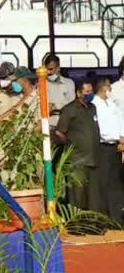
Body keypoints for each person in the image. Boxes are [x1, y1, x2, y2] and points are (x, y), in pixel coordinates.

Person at [55, 78, 100, 212]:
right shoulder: (69, 109)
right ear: (79, 93)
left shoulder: (92, 108)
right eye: (87, 92)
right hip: (77, 160)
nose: (90, 94)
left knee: (92, 196)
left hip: (93, 159)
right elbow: (59, 132)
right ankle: (76, 224)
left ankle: (90, 223)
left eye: (91, 91)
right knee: (77, 196)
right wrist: (71, 144)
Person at [91, 75, 124, 222]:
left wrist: (121, 138)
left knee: (116, 182)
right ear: (103, 87)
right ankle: (105, 217)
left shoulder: (111, 104)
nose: (111, 88)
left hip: (116, 147)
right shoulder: (95, 105)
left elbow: (119, 121)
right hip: (103, 147)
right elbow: (101, 129)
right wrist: (118, 137)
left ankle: (116, 216)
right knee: (104, 182)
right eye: (109, 85)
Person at [43, 54, 75, 130]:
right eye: (46, 69)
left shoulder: (69, 83)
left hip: (65, 124)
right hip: (47, 124)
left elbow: (72, 104)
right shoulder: (41, 84)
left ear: (58, 68)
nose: (48, 72)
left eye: (51, 69)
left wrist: (55, 106)